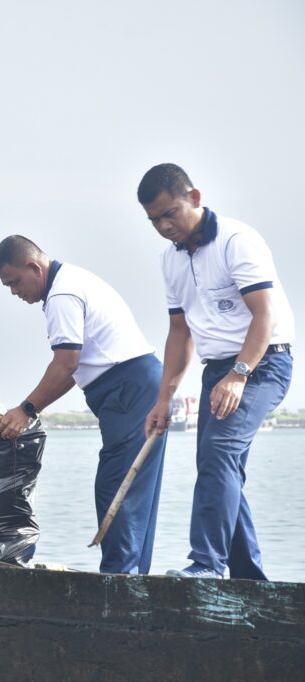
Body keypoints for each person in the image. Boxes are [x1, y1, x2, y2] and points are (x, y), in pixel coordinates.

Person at [139, 163, 294, 580]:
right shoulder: (169, 261)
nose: (163, 225)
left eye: (170, 213)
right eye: (154, 219)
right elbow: (178, 332)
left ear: (195, 197)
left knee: (219, 455)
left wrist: (240, 373)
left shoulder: (236, 241)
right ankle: (248, 578)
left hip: (261, 363)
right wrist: (164, 399)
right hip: (216, 369)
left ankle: (207, 564)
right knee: (219, 463)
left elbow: (265, 315)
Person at [0, 235, 167, 574]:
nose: (14, 291)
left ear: (34, 267)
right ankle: (133, 579)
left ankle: (119, 581)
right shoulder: (71, 280)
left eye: (15, 282)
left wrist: (26, 409)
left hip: (129, 387)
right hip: (138, 383)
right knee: (135, 489)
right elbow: (72, 367)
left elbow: (66, 364)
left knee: (117, 488)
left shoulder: (62, 294)